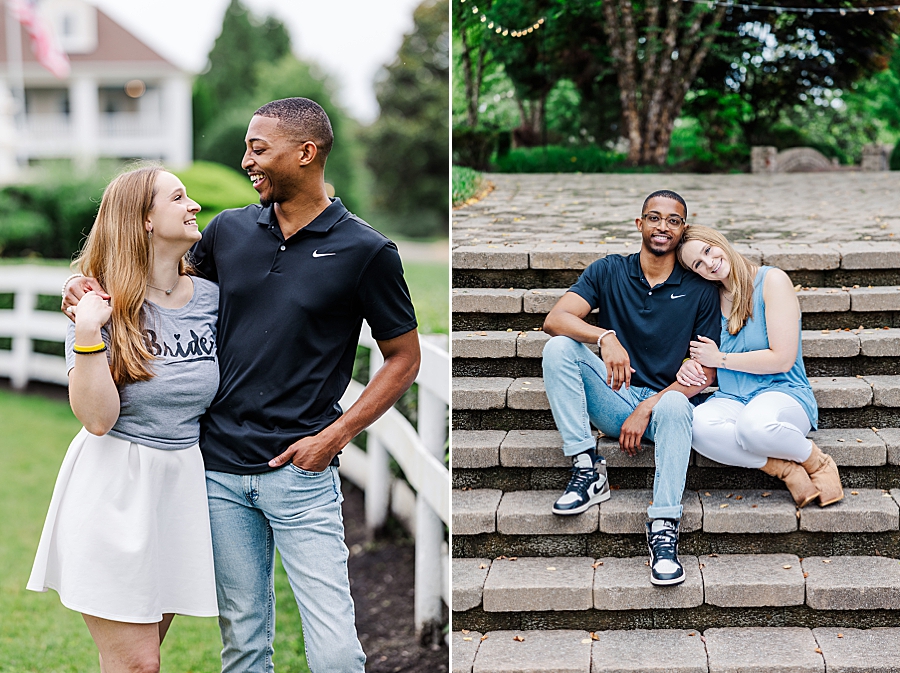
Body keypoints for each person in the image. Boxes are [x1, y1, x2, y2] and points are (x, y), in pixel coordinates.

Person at [64, 98, 421, 673]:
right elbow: (155, 283)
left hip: (302, 472)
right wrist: (82, 288)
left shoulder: (367, 251)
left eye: (259, 149)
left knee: (334, 652)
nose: (246, 160)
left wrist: (335, 438)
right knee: (245, 645)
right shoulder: (229, 231)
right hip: (218, 472)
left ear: (305, 153)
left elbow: (403, 358)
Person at [29, 165, 219, 673]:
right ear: (145, 221)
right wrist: (90, 331)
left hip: (180, 490)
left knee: (134, 662)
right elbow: (96, 418)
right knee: (138, 664)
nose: (193, 205)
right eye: (179, 197)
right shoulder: (97, 304)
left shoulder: (212, 300)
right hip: (115, 488)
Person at [541, 190, 720, 586]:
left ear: (682, 229)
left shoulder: (701, 289)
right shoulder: (608, 271)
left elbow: (706, 374)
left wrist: (650, 405)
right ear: (639, 224)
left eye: (673, 221)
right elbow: (556, 319)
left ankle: (663, 528)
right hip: (615, 397)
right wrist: (604, 336)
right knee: (559, 349)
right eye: (654, 218)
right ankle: (587, 468)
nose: (663, 227)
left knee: (675, 406)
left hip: (665, 408)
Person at [675, 225, 843, 507]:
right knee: (697, 426)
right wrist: (687, 365)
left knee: (754, 427)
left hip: (783, 392)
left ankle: (817, 462)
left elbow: (782, 358)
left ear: (719, 241)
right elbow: (697, 350)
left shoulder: (772, 280)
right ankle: (786, 469)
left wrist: (720, 359)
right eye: (698, 264)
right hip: (732, 397)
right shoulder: (710, 298)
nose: (710, 263)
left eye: (708, 250)